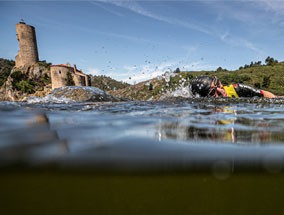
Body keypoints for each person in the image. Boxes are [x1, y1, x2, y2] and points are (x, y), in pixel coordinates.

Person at [189, 75, 278, 98]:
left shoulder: (237, 89)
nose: (221, 90)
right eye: (212, 92)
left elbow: (265, 94)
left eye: (217, 83)